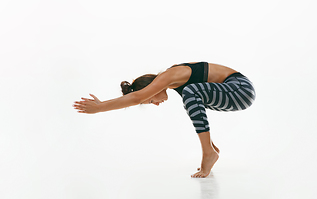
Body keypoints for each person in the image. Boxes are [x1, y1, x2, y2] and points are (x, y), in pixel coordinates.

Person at [73, 62, 256, 178]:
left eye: (151, 99)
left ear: (151, 88)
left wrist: (99, 107)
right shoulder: (175, 82)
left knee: (191, 93)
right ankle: (211, 149)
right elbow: (138, 97)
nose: (156, 103)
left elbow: (136, 98)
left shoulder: (170, 75)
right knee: (191, 97)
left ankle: (208, 152)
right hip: (233, 95)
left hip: (241, 89)